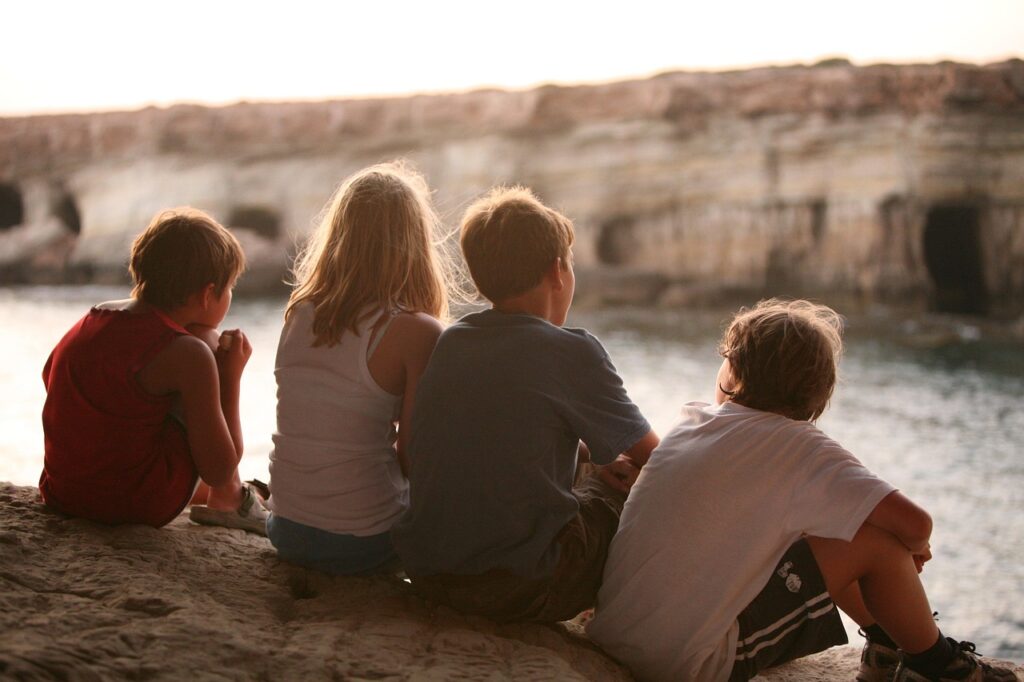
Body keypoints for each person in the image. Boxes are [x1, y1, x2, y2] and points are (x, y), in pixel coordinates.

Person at [587, 299, 1017, 682]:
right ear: (818, 392)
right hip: (687, 664)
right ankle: (939, 665)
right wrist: (914, 549)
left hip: (616, 631)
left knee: (826, 522)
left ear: (733, 370)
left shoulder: (691, 422)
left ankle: (887, 645)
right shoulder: (802, 447)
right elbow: (916, 523)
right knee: (878, 544)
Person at [391, 186, 659, 622]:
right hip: (518, 589)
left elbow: (497, 433)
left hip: (429, 573)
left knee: (592, 471)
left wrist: (590, 455)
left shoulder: (453, 341)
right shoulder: (572, 352)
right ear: (557, 270)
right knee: (621, 490)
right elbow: (659, 458)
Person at [265, 161, 454, 575]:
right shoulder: (416, 331)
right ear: (414, 244)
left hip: (287, 529)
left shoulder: (299, 312)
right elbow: (415, 458)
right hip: (366, 540)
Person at [40, 207, 266, 533]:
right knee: (206, 343)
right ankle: (231, 500)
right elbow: (219, 470)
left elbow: (49, 375)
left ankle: (219, 494)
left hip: (63, 492)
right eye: (230, 287)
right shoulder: (190, 354)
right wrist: (230, 377)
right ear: (207, 294)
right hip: (132, 504)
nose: (230, 295)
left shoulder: (93, 318)